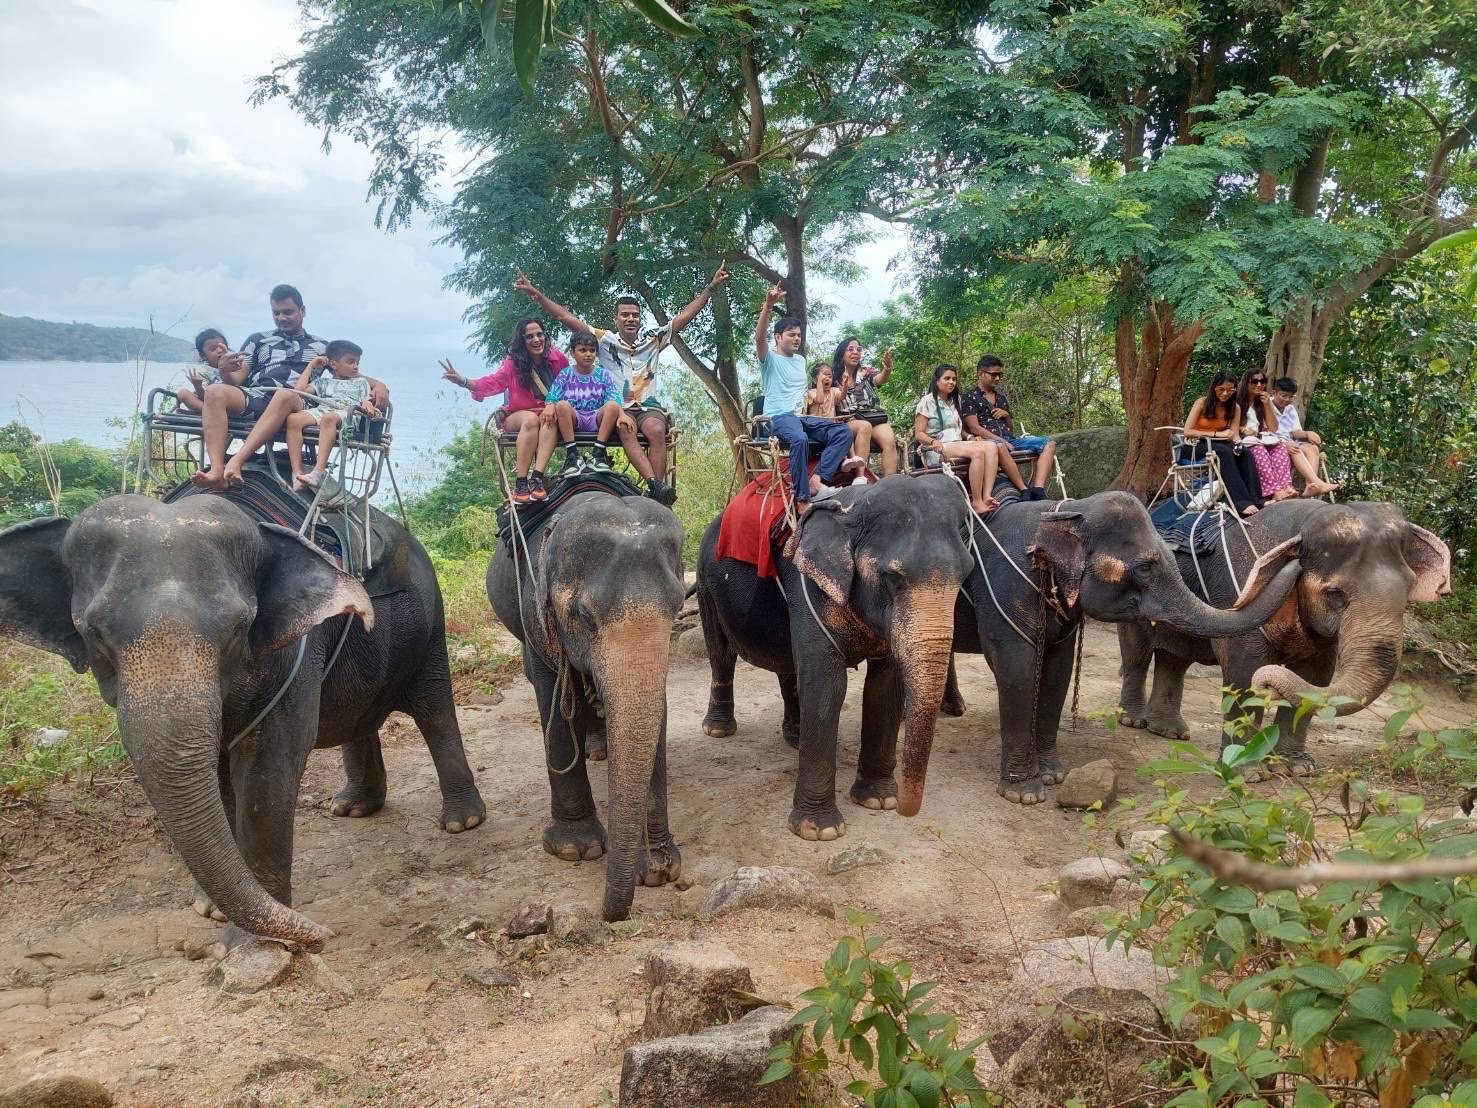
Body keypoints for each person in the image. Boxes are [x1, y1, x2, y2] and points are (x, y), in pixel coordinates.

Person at [513, 264, 729, 505]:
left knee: (657, 431)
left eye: (634, 315)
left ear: (639, 319)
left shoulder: (653, 340)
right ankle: (653, 484)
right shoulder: (604, 340)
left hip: (648, 406)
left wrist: (710, 287)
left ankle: (659, 494)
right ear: (616, 319)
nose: (630, 318)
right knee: (626, 428)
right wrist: (536, 294)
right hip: (619, 407)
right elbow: (566, 318)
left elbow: (684, 317)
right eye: (625, 314)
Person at [191, 285, 328, 490]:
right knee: (214, 391)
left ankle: (237, 460)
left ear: (303, 311)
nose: (281, 318)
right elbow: (236, 380)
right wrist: (224, 370)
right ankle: (217, 472)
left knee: (284, 395)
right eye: (276, 313)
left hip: (297, 400)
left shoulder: (323, 346)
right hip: (258, 395)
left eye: (288, 312)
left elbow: (347, 371)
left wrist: (377, 385)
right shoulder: (257, 340)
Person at [443, 317, 567, 503]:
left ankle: (537, 478)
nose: (536, 340)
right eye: (530, 336)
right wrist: (463, 381)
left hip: (549, 414)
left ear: (545, 336)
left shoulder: (558, 359)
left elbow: (569, 386)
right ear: (522, 341)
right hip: (518, 415)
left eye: (539, 334)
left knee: (549, 418)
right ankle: (521, 482)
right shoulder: (513, 363)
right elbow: (493, 382)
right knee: (531, 420)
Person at [754, 283, 854, 511]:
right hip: (777, 417)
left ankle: (816, 481)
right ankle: (802, 499)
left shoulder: (800, 360)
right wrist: (768, 307)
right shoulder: (768, 359)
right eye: (791, 335)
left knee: (842, 431)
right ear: (778, 337)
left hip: (799, 418)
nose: (797, 339)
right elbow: (759, 338)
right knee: (799, 439)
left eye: (799, 335)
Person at [541, 331, 660, 491]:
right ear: (573, 353)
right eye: (582, 350)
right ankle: (572, 455)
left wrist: (622, 414)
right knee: (561, 405)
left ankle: (598, 453)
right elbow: (553, 396)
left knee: (611, 405)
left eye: (592, 350)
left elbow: (615, 399)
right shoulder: (566, 374)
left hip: (596, 418)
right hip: (574, 418)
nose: (588, 354)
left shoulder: (604, 375)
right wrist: (549, 405)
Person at [281, 341, 380, 492]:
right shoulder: (323, 382)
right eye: (350, 362)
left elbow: (366, 399)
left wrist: (368, 404)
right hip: (324, 410)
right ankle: (297, 472)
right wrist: (311, 366)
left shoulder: (361, 382)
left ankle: (318, 472)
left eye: (357, 362)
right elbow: (298, 392)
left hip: (348, 413)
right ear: (334, 364)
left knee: (329, 418)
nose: (356, 366)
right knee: (293, 419)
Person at [960, 355, 1058, 501]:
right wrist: (999, 440)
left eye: (1000, 375)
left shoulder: (1001, 398)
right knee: (999, 445)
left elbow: (1010, 428)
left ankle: (1038, 488)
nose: (997, 378)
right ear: (981, 374)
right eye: (994, 374)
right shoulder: (970, 397)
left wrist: (1006, 415)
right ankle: (1023, 489)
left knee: (1049, 443)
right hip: (988, 442)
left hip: (1010, 440)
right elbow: (974, 427)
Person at [913, 364, 1000, 515]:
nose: (951, 382)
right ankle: (977, 502)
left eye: (954, 379)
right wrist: (933, 442)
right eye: (946, 378)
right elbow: (919, 434)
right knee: (977, 452)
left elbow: (958, 430)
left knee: (992, 446)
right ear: (936, 381)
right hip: (936, 448)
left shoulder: (956, 400)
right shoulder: (927, 401)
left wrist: (971, 437)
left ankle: (986, 496)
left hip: (958, 444)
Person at [1183, 371, 1262, 517]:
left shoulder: (1235, 408)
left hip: (1220, 443)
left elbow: (1234, 435)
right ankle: (1241, 502)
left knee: (1245, 453)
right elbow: (1187, 431)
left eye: (1230, 390)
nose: (1225, 393)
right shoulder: (1202, 403)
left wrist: (1238, 444)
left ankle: (1256, 499)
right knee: (1224, 453)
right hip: (1195, 445)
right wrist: (1217, 434)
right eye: (1221, 389)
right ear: (1214, 388)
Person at [834, 337, 899, 475]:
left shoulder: (865, 374)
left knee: (889, 440)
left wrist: (887, 368)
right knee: (864, 427)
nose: (855, 352)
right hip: (847, 421)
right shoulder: (833, 377)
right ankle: (860, 478)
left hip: (872, 416)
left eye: (858, 349)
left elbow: (881, 379)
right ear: (841, 354)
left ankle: (890, 483)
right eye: (850, 349)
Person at [1270, 377, 1338, 496]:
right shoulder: (1266, 406)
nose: (1287, 400)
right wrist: (1282, 444)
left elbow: (1296, 432)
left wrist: (1308, 433)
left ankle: (1310, 486)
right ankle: (1318, 483)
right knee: (1295, 449)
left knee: (1313, 448)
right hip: (1272, 443)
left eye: (1291, 397)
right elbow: (1262, 432)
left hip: (1290, 442)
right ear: (1274, 392)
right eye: (1283, 395)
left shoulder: (1290, 409)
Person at [1236, 371, 1297, 502]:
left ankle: (1285, 487)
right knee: (1259, 449)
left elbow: (1273, 428)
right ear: (1247, 382)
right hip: (1241, 439)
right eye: (1254, 381)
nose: (1259, 385)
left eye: (1262, 382)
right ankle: (1273, 491)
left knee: (1280, 447)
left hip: (1259, 438)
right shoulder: (1236, 400)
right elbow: (1228, 424)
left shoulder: (1263, 402)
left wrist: (1267, 405)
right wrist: (1243, 429)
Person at [177, 329, 245, 413]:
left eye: (222, 347)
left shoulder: (234, 366)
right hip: (209, 403)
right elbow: (205, 399)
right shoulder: (204, 372)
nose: (219, 351)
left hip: (231, 403)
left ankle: (209, 414)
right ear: (203, 355)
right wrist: (197, 386)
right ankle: (212, 413)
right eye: (213, 349)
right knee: (183, 393)